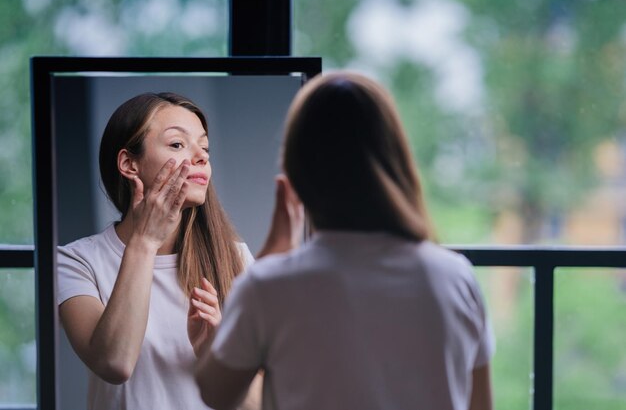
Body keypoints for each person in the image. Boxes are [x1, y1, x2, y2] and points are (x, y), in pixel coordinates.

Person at [195, 72, 495, 410]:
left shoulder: (269, 286)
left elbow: (215, 393)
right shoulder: (456, 277)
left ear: (296, 173)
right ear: (396, 161)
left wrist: (267, 263)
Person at [57, 92, 261, 410]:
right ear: (128, 164)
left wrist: (217, 356)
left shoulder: (236, 258)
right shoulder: (76, 261)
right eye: (178, 144)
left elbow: (262, 404)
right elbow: (115, 363)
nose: (201, 158)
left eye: (204, 148)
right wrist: (145, 241)